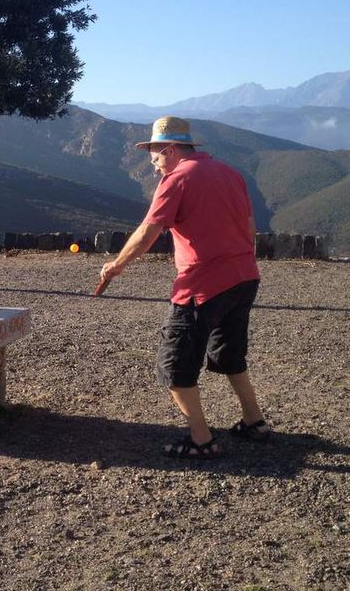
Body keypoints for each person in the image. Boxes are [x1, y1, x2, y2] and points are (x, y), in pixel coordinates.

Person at [100, 116, 269, 459]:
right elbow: (250, 229)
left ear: (171, 149)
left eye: (156, 157)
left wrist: (116, 265)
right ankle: (254, 422)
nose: (155, 166)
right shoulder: (231, 173)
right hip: (244, 277)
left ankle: (201, 439)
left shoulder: (177, 179)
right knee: (230, 354)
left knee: (175, 366)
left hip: (201, 286)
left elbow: (148, 232)